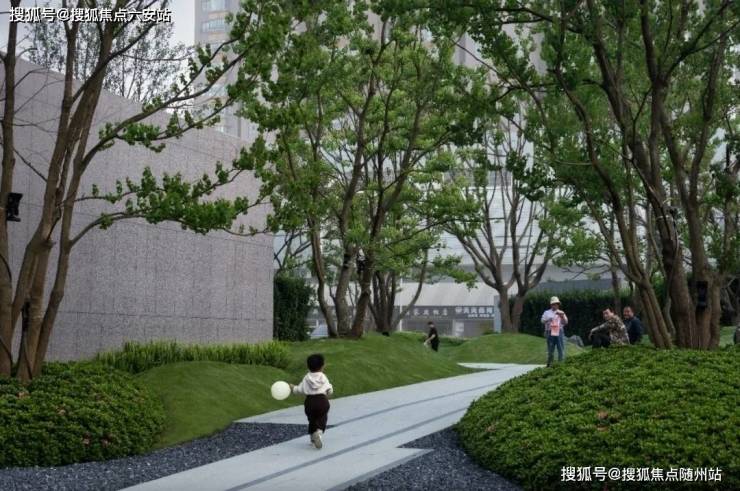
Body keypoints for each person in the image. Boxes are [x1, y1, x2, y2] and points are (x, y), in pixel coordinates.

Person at [289, 353, 333, 449]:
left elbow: (300, 390)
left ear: (308, 366)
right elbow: (329, 389)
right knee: (322, 417)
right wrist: (329, 391)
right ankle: (319, 433)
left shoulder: (306, 378)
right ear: (322, 366)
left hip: (310, 402)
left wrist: (293, 388)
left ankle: (313, 436)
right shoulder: (323, 377)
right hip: (322, 401)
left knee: (312, 419)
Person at [541, 296, 568, 367]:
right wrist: (548, 320)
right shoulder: (546, 312)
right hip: (549, 331)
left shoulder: (561, 312)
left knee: (561, 349)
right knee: (550, 350)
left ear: (558, 304)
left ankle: (560, 365)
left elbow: (565, 322)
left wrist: (562, 316)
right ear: (551, 305)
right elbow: (542, 321)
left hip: (559, 331)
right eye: (553, 304)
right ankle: (550, 364)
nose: (555, 305)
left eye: (556, 304)